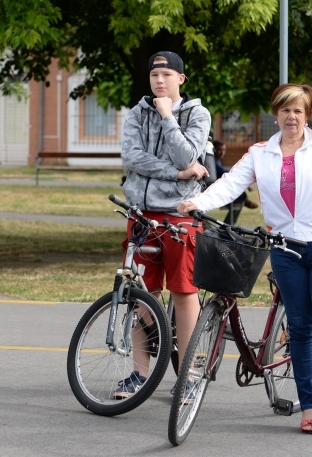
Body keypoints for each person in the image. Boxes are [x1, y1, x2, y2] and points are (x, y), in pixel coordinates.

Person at [178, 84, 312, 438]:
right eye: (285, 110)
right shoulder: (260, 153)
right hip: (285, 251)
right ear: (276, 114)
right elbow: (231, 184)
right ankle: (309, 407)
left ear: (307, 115)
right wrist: (199, 203)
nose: (292, 116)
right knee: (300, 330)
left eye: (298, 110)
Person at [117, 50, 211, 398]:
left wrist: (168, 117)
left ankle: (186, 377)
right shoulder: (137, 112)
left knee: (184, 293)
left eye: (167, 75)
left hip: (180, 216)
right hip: (142, 215)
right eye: (155, 74)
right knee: (142, 294)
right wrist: (175, 173)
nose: (159, 80)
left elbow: (189, 155)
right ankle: (140, 373)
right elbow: (132, 156)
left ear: (181, 80)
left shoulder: (197, 113)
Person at [211, 139, 259, 224]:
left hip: (219, 189)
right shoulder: (213, 161)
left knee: (238, 200)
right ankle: (227, 228)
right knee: (238, 200)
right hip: (214, 191)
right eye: (219, 150)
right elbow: (227, 173)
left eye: (224, 150)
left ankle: (227, 227)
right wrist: (247, 185)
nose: (222, 152)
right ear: (213, 150)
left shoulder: (216, 161)